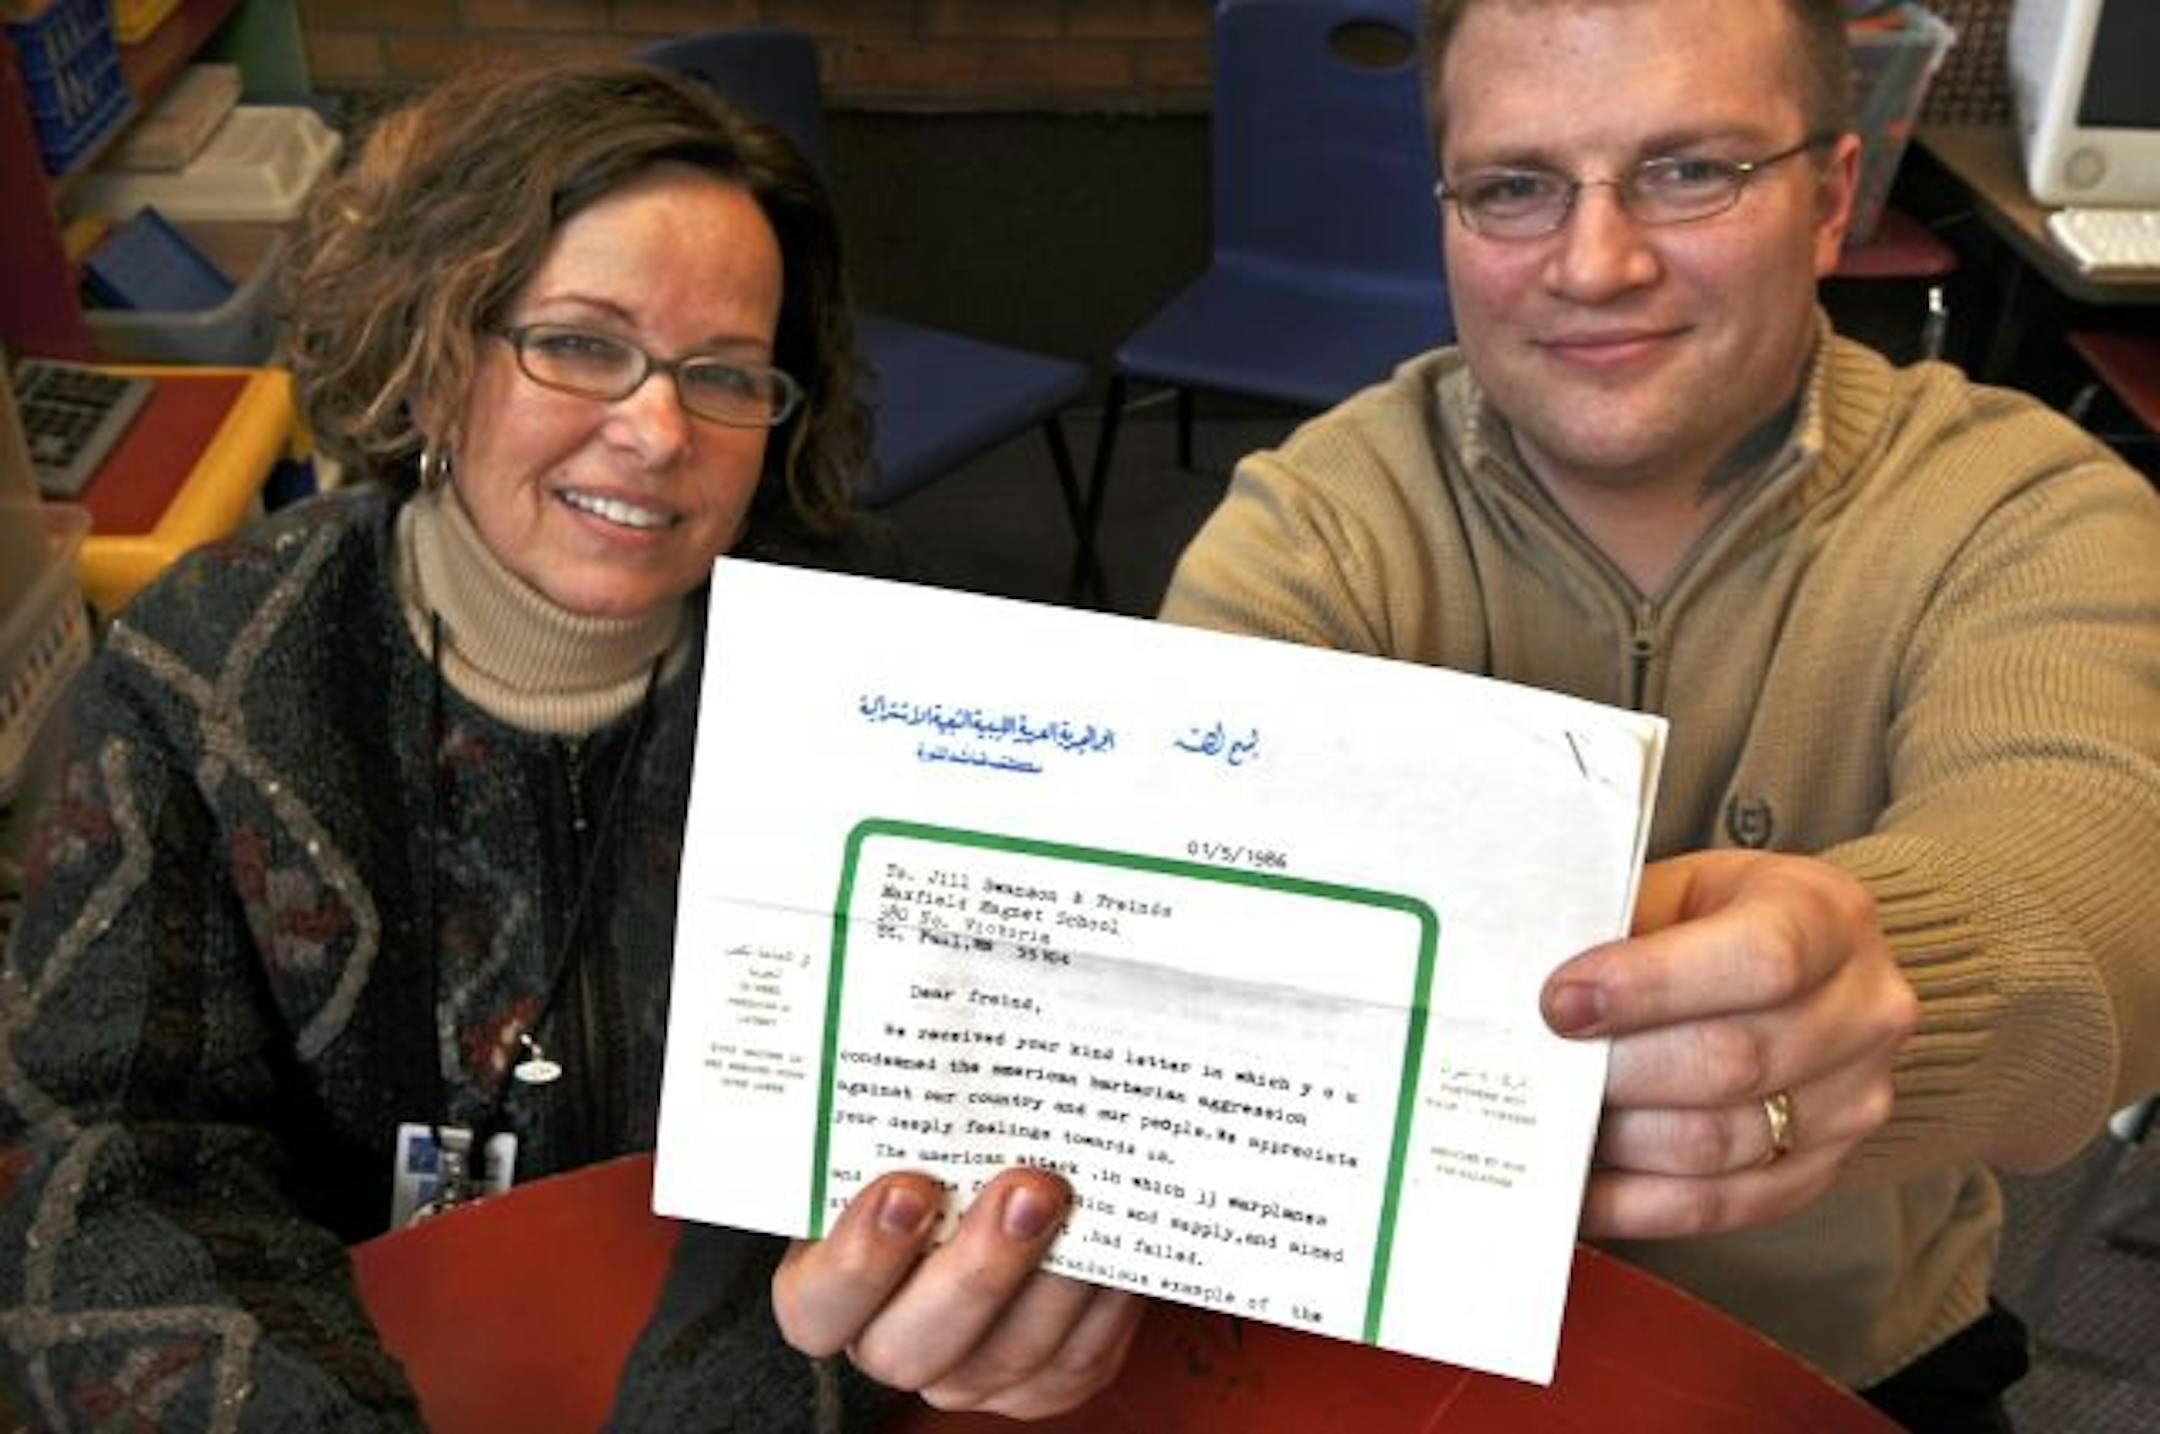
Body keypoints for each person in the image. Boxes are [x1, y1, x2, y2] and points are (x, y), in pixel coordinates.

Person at [0, 60, 1135, 1431]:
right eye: (583, 345)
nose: (657, 430)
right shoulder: (208, 673)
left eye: (724, 373)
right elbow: (103, 1159)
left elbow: (965, 1129)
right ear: (434, 353)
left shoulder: (902, 669)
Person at [1160, 0, 2160, 1428]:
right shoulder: (1317, 530)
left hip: (1841, 1360)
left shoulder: (2019, 504)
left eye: (1692, 171)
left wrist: (1878, 983)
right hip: (1370, 1345)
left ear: (1830, 199)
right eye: (1516, 186)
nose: (1596, 263)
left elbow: (2095, 865)